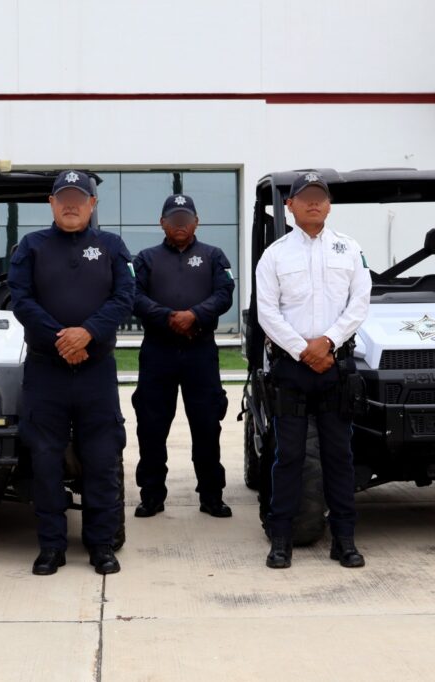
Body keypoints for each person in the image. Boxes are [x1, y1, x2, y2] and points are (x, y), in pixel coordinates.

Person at [8, 170, 135, 576]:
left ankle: (101, 545)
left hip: (96, 370)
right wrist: (62, 339)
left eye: (79, 198)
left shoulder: (112, 246)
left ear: (92, 205)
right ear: (51, 203)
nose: (71, 204)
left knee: (100, 460)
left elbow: (125, 297)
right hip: (47, 372)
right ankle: (51, 546)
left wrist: (88, 334)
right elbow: (21, 299)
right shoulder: (31, 246)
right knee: (45, 461)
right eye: (63, 197)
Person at [254, 170, 371, 569]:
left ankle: (345, 540)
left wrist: (328, 342)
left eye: (320, 196)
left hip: (335, 367)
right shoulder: (275, 255)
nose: (314, 203)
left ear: (329, 204)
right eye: (305, 197)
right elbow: (267, 311)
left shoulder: (349, 249)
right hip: (293, 369)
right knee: (289, 457)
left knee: (339, 457)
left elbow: (359, 303)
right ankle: (281, 540)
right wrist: (302, 349)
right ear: (290, 205)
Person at [131, 193, 234, 519]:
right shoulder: (145, 258)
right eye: (173, 219)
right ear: (162, 223)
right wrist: (168, 317)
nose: (180, 224)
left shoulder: (214, 256)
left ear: (196, 222)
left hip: (200, 351)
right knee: (151, 426)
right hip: (158, 351)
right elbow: (133, 295)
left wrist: (195, 315)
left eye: (185, 219)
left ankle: (211, 495)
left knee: (206, 425)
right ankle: (151, 495)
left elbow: (224, 293)